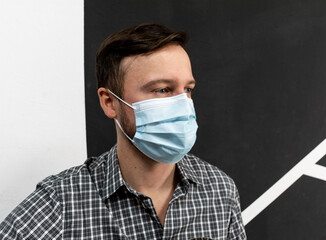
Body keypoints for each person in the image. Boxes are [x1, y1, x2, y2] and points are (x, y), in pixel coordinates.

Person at [0, 23, 247, 239]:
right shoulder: (61, 202)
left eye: (187, 89)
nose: (182, 103)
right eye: (162, 89)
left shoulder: (219, 190)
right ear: (109, 102)